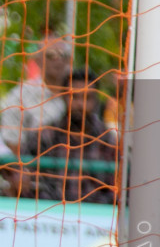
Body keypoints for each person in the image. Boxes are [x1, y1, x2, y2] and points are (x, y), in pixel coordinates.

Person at [28, 68, 117, 203]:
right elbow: (31, 182)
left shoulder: (108, 141)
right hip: (50, 212)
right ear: (63, 97)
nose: (80, 104)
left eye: (87, 98)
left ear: (96, 101)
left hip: (95, 216)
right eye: (74, 96)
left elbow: (115, 189)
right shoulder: (45, 137)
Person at [0, 33, 72, 157]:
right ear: (38, 60)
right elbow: (12, 144)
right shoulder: (20, 96)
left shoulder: (81, 94)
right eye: (51, 55)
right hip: (34, 169)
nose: (57, 59)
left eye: (62, 55)